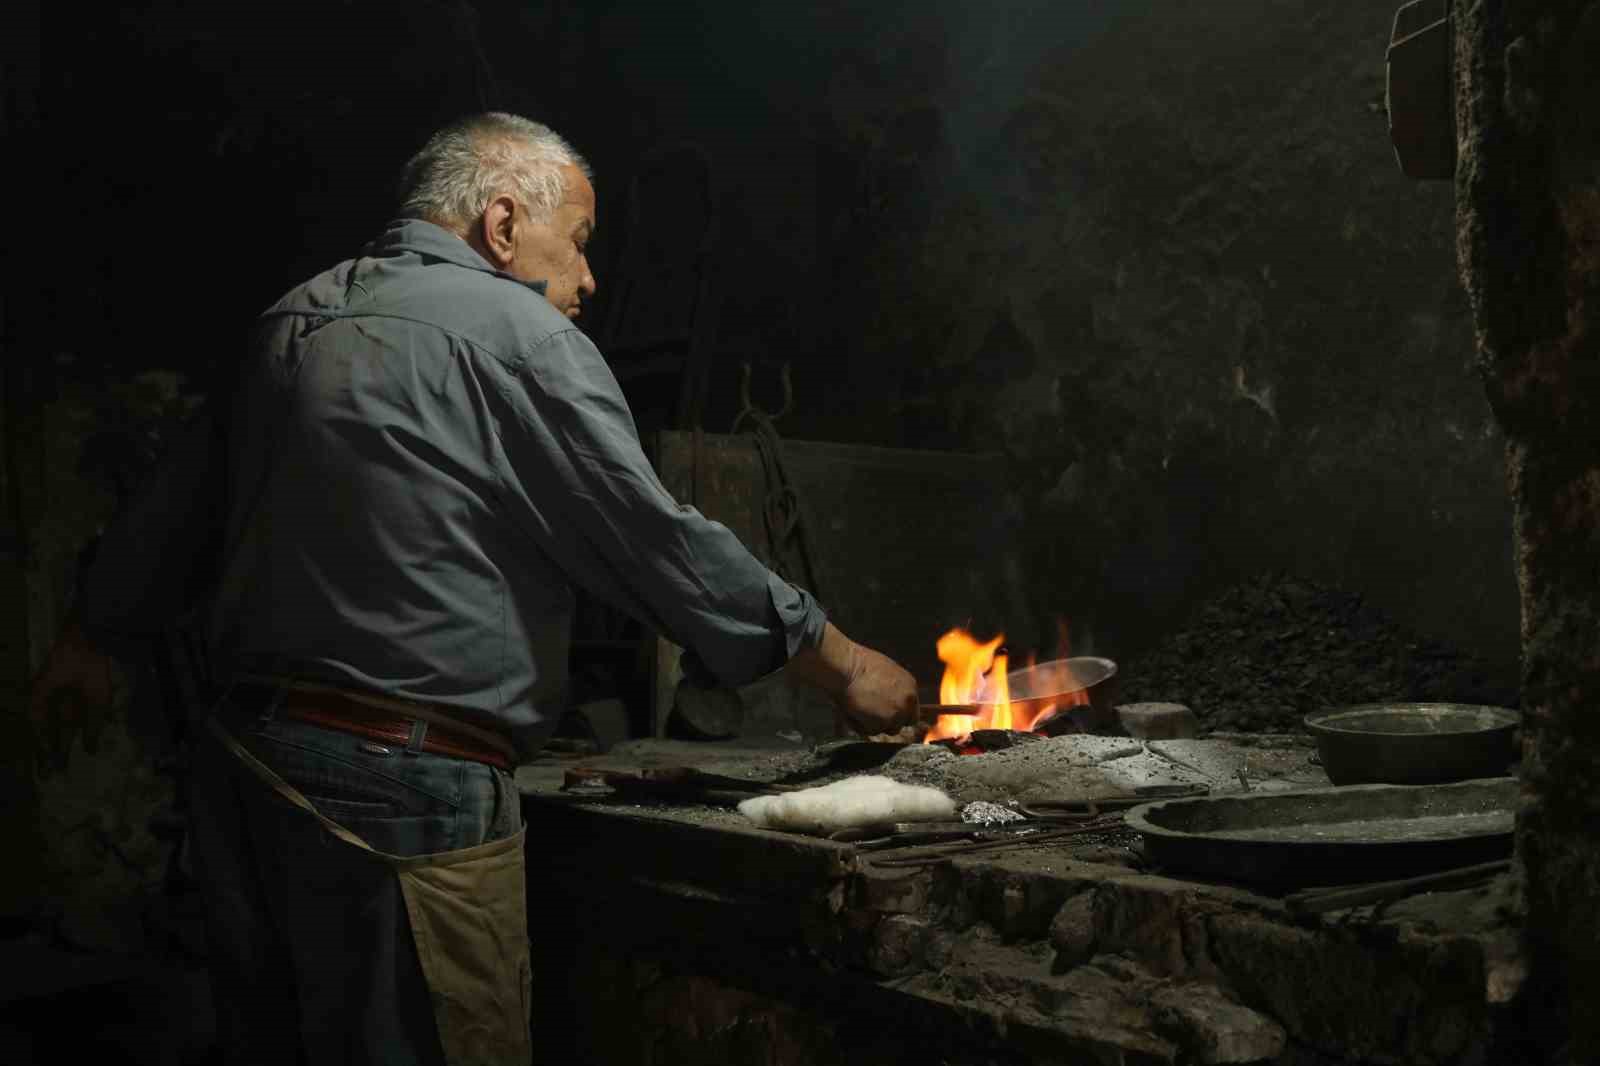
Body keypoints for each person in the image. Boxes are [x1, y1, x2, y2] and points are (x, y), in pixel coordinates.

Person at [29, 111, 919, 1065]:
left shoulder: (289, 318)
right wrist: (842, 662)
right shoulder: (518, 336)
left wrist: (91, 635)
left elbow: (174, 515)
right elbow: (655, 541)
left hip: (245, 779)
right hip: (404, 788)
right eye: (576, 243)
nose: (588, 279)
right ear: (501, 227)